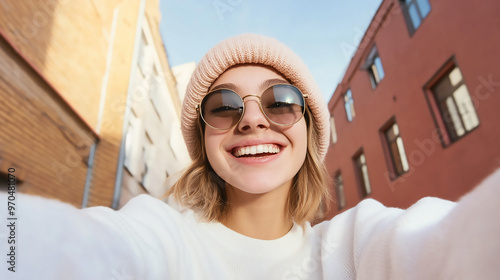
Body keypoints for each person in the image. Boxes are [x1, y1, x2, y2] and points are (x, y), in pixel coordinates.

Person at [1, 34, 499, 280]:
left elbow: (453, 244)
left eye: (281, 100)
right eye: (223, 106)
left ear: (309, 127)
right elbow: (58, 249)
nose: (253, 120)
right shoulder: (164, 235)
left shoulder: (354, 246)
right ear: (203, 140)